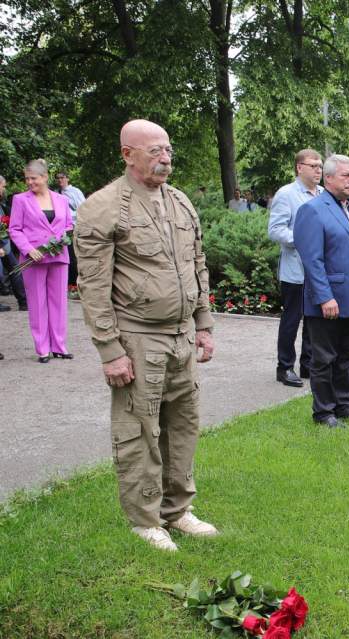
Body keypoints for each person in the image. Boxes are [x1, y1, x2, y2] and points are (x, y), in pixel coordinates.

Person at [74, 119, 218, 552]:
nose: (165, 157)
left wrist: (204, 324)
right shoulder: (102, 207)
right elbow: (94, 287)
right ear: (127, 154)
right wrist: (110, 350)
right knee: (139, 429)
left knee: (183, 424)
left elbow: (198, 265)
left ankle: (177, 511)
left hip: (180, 336)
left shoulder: (180, 202)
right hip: (137, 338)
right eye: (154, 150)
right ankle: (144, 519)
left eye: (168, 149)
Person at [293, 154, 349, 428]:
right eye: (346, 175)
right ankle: (323, 413)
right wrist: (324, 296)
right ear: (329, 178)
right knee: (324, 359)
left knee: (347, 355)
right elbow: (312, 259)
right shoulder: (312, 210)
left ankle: (344, 406)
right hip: (328, 300)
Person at [8, 159, 74, 362]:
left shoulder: (61, 199)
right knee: (37, 304)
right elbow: (14, 229)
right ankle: (42, 348)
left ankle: (59, 346)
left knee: (59, 303)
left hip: (59, 256)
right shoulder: (20, 199)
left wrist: (63, 237)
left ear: (45, 177)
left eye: (33, 178)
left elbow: (69, 224)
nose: (29, 182)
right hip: (33, 258)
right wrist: (28, 249)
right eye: (27, 178)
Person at [268, 149, 322, 387]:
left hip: (318, 270)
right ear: (300, 167)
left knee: (314, 319)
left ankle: (308, 365)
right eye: (313, 166)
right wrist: (304, 238)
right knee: (292, 320)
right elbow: (275, 230)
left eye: (320, 166)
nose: (318, 170)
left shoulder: (322, 194)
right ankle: (285, 367)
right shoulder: (286, 194)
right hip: (295, 271)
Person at [0, 175, 29, 311]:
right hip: (2, 244)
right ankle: (23, 302)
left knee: (15, 269)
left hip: (4, 243)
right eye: (3, 186)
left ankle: (24, 302)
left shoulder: (2, 202)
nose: (4, 189)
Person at [56, 172, 86, 286]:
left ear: (67, 178)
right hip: (61, 229)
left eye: (62, 177)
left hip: (74, 227)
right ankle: (67, 282)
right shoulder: (56, 193)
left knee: (73, 255)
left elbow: (83, 208)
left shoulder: (75, 191)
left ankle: (75, 283)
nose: (60, 180)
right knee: (64, 254)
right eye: (58, 178)